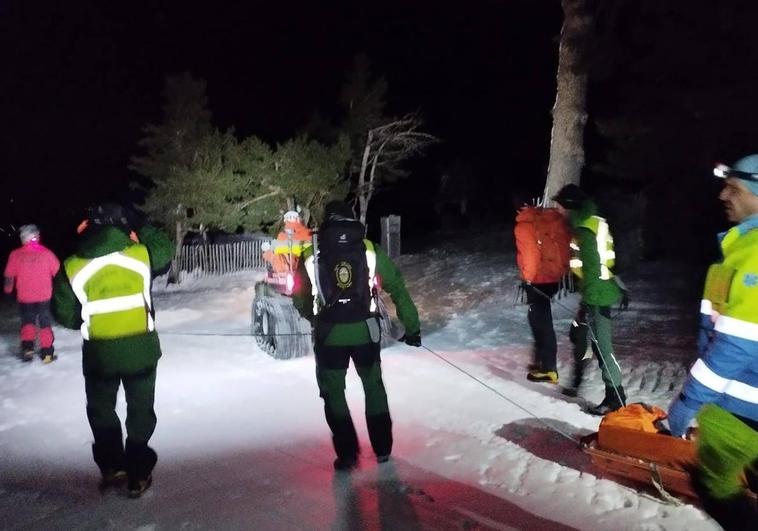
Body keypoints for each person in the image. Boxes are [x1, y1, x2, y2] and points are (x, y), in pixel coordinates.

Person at [52, 203, 173, 497]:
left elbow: (63, 313)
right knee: (140, 410)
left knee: (101, 410)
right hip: (141, 350)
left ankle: (112, 466)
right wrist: (139, 224)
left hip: (99, 355)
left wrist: (91, 319)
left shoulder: (71, 265)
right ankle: (138, 473)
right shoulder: (140, 254)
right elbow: (165, 247)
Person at [293, 201, 421, 471]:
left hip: (329, 335)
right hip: (366, 332)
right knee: (373, 387)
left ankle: (348, 454)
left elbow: (300, 298)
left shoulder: (309, 253)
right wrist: (412, 328)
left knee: (334, 392)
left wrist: (313, 317)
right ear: (352, 220)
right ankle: (383, 450)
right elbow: (397, 287)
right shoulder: (370, 250)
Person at [667, 156, 758, 528]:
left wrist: (689, 402)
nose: (723, 195)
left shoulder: (753, 254)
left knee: (714, 483)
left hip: (740, 407)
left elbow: (736, 343)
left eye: (734, 189)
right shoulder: (741, 247)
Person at [552, 184, 627, 415]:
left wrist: (590, 300)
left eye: (561, 206)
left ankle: (615, 399)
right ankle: (578, 381)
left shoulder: (584, 229)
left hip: (598, 295)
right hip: (598, 292)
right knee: (580, 334)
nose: (559, 210)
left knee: (603, 347)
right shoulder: (593, 221)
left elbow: (594, 268)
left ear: (570, 207)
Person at [514, 203, 571, 384]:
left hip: (538, 280)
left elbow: (530, 254)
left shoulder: (525, 226)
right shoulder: (549, 220)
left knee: (541, 323)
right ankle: (541, 362)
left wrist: (528, 280)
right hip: (553, 277)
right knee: (538, 319)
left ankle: (548, 369)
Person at [3, 224, 60, 362]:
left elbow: (9, 275)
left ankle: (27, 350)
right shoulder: (46, 253)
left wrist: (8, 289)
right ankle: (47, 353)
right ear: (37, 237)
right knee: (44, 322)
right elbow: (57, 271)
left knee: (27, 321)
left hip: (25, 297)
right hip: (43, 296)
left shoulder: (15, 254)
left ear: (23, 238)